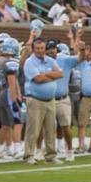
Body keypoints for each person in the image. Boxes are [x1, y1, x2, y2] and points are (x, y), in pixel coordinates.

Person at [20, 30, 62, 165]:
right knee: (33, 129)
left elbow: (60, 74)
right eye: (37, 48)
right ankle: (29, 155)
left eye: (42, 48)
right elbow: (37, 79)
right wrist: (51, 75)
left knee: (51, 129)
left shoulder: (50, 60)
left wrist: (45, 75)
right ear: (33, 49)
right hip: (35, 99)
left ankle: (50, 155)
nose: (40, 50)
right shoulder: (29, 62)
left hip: (50, 100)